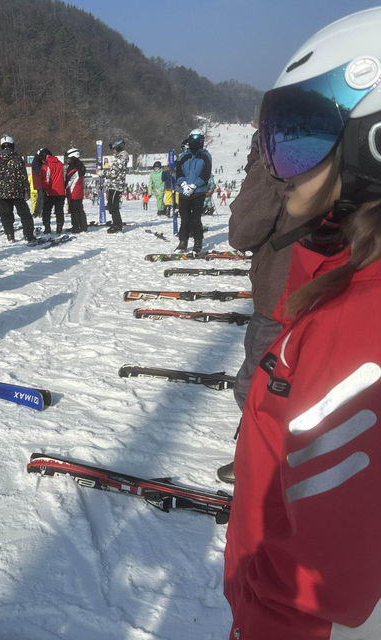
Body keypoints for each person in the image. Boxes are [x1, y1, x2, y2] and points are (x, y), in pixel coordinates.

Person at [224, 8, 381, 639]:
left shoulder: (357, 327)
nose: (277, 162)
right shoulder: (339, 273)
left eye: (302, 136)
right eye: (273, 138)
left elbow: (317, 582)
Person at [216, 132, 295, 484]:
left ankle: (261, 462)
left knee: (257, 387)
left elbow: (243, 231)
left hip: (284, 295)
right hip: (332, 290)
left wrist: (260, 167)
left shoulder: (280, 159)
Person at [0, 134, 35, 242]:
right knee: (25, 215)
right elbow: (23, 175)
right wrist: (27, 190)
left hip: (2, 193)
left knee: (6, 216)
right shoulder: (17, 157)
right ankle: (29, 235)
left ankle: (10, 235)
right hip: (17, 192)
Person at [175, 129, 212, 253]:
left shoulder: (205, 155)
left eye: (198, 140)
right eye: (193, 140)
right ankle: (183, 241)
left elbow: (206, 173)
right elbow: (179, 172)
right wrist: (184, 184)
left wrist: (194, 185)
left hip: (198, 191)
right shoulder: (183, 156)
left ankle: (198, 242)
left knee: (196, 218)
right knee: (185, 218)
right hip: (184, 191)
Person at [104, 138, 128, 233]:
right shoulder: (119, 157)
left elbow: (113, 173)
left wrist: (103, 173)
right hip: (114, 185)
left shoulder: (121, 158)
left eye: (114, 149)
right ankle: (116, 222)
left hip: (116, 185)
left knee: (113, 205)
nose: (113, 151)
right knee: (111, 205)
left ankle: (117, 225)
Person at [39, 148, 65, 235]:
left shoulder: (46, 165)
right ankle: (59, 227)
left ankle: (47, 228)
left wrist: (44, 189)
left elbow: (45, 180)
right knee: (59, 211)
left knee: (46, 211)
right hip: (61, 192)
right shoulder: (60, 164)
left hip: (50, 192)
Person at [65, 147, 87, 233]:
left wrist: (64, 188)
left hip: (73, 191)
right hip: (79, 191)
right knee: (79, 209)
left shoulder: (73, 167)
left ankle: (76, 227)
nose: (67, 160)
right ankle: (83, 226)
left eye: (68, 158)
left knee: (74, 210)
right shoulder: (80, 165)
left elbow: (68, 181)